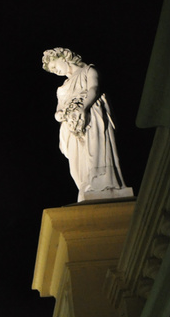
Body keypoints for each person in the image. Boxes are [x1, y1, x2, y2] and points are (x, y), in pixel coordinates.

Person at [42, 47, 131, 203]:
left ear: (64, 57)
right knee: (78, 163)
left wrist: (83, 107)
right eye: (53, 71)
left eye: (55, 66)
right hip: (71, 125)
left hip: (90, 115)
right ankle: (86, 185)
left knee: (95, 151)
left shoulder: (88, 70)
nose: (56, 71)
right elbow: (58, 111)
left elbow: (94, 89)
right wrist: (61, 115)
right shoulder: (62, 88)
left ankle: (103, 184)